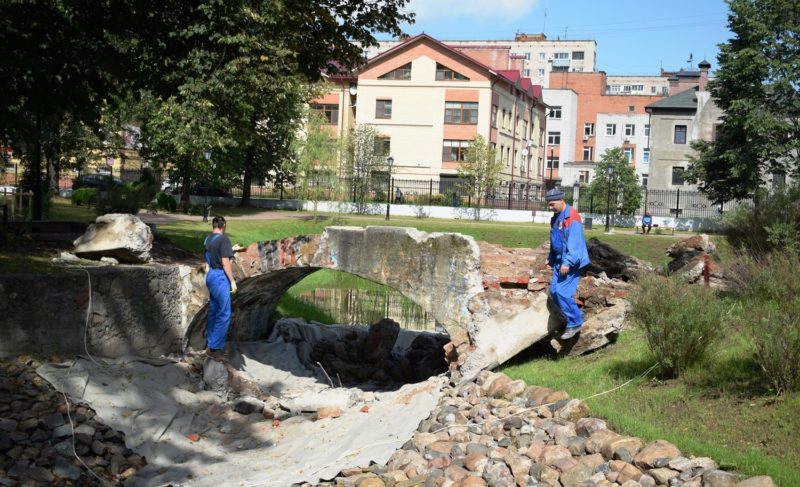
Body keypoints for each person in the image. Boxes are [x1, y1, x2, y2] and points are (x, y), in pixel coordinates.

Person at [546, 188, 590, 340]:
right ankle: (576, 315)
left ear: (561, 200)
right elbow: (555, 240)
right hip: (559, 261)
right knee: (553, 292)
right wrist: (551, 257)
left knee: (562, 293)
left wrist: (568, 262)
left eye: (552, 204)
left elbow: (575, 243)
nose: (550, 207)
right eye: (549, 204)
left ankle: (575, 322)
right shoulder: (556, 217)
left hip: (570, 262)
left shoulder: (572, 216)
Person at [203, 216, 237, 359]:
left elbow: (213, 255)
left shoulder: (208, 239)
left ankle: (211, 344)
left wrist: (231, 251)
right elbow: (225, 263)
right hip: (220, 277)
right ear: (223, 226)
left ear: (213, 225)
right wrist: (232, 281)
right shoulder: (224, 240)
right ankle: (215, 349)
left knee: (214, 311)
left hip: (210, 275)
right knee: (224, 314)